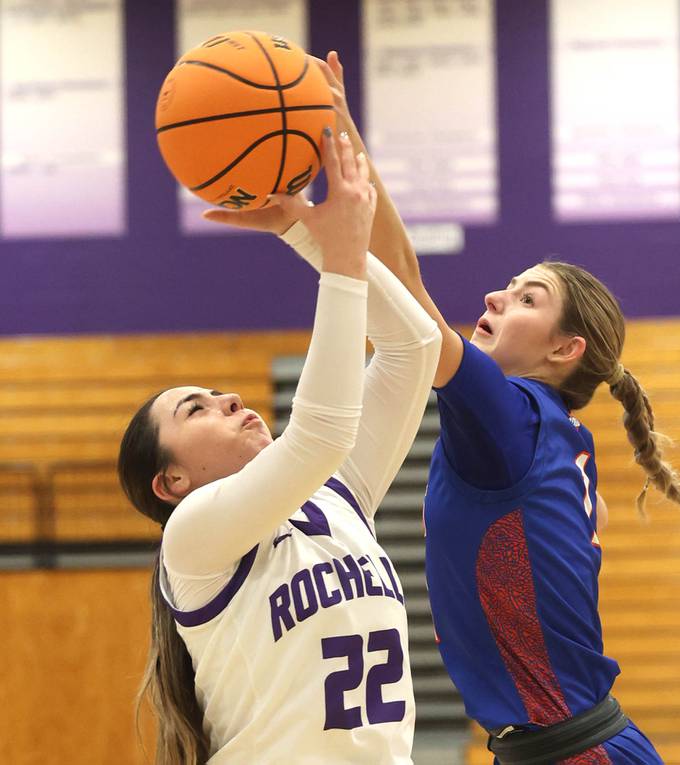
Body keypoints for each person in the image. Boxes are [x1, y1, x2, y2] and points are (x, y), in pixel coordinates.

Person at [222, 51, 680, 765]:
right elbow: (409, 289)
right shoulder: (547, 426)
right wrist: (338, 133)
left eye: (529, 298)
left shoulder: (515, 419)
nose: (497, 298)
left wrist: (304, 226)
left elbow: (409, 308)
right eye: (509, 285)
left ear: (566, 349)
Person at [118, 129, 441, 764]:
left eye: (217, 391)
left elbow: (415, 348)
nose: (229, 400)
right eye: (197, 409)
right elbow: (319, 435)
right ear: (172, 481)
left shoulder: (338, 493)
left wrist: (303, 230)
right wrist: (341, 255)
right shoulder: (191, 539)